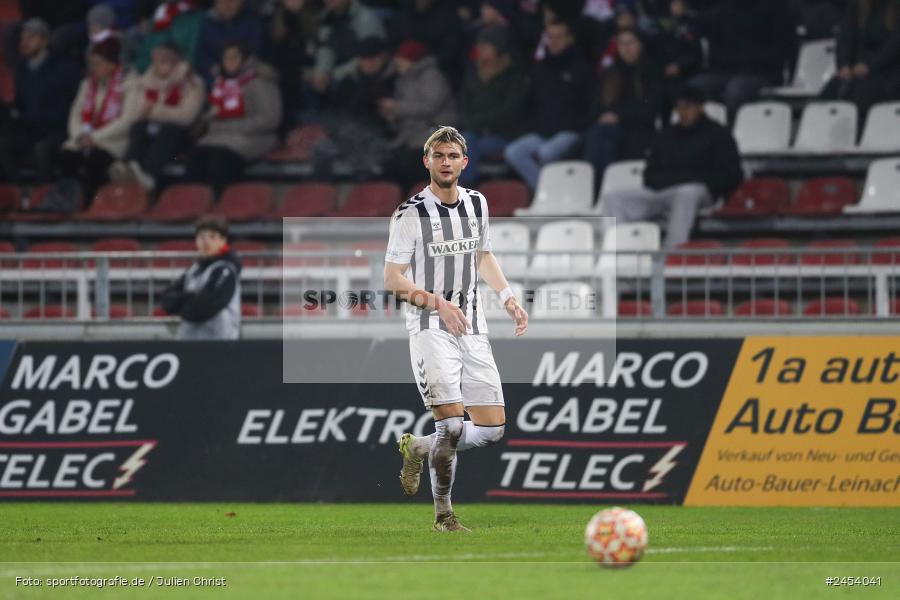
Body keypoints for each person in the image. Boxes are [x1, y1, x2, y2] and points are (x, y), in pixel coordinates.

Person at [384, 126, 529, 532]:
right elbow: (393, 279)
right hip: (430, 325)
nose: (445, 162)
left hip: (472, 325)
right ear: (426, 161)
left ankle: (416, 448)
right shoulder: (410, 214)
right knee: (449, 425)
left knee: (491, 430)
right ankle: (444, 515)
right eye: (438, 156)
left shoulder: (477, 204)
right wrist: (438, 303)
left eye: (453, 156)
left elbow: (482, 255)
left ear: (465, 163)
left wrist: (508, 298)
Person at [600, 86, 743, 249]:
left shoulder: (718, 134)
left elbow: (732, 175)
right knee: (613, 198)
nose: (683, 112)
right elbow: (649, 175)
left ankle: (672, 252)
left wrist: (689, 179)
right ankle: (619, 251)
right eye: (679, 108)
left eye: (688, 107)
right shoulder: (667, 135)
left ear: (700, 107)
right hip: (664, 189)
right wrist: (676, 180)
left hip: (701, 192)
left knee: (687, 192)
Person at [503, 19, 591, 190]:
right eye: (550, 37)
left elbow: (588, 104)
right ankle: (545, 191)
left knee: (547, 153)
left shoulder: (581, 67)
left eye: (558, 37)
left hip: (571, 130)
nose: (553, 41)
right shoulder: (540, 68)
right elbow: (530, 103)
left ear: (569, 39)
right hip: (543, 132)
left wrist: (580, 126)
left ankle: (554, 192)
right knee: (513, 152)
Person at [186, 42, 282, 194]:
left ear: (245, 59)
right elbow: (214, 114)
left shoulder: (260, 81)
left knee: (221, 159)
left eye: (234, 57)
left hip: (254, 136)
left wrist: (229, 126)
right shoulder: (221, 82)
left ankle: (218, 207)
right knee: (196, 158)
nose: (230, 61)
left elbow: (270, 119)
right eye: (226, 57)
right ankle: (194, 206)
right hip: (219, 136)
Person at [111, 43, 205, 191]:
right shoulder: (146, 82)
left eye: (165, 60)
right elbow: (137, 113)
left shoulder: (192, 82)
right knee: (138, 128)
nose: (159, 64)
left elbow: (186, 116)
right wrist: (150, 112)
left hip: (181, 136)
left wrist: (154, 110)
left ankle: (149, 176)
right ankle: (128, 167)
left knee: (169, 129)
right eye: (156, 60)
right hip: (152, 131)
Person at [59, 36, 141, 204]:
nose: (93, 68)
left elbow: (127, 120)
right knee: (67, 157)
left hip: (113, 141)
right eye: (92, 63)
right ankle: (68, 203)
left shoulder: (131, 83)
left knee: (95, 161)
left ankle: (92, 205)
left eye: (98, 63)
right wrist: (79, 136)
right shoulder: (87, 84)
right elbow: (75, 113)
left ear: (113, 63)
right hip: (83, 139)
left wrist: (94, 138)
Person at [0, 18, 80, 184]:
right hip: (30, 129)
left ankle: (42, 195)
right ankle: (18, 193)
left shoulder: (64, 68)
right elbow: (20, 104)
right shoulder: (22, 69)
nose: (24, 42)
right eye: (22, 38)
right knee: (4, 144)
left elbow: (69, 106)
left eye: (31, 37)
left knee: (42, 148)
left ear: (45, 40)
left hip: (56, 130)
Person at [582, 28, 661, 189]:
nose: (626, 48)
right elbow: (596, 106)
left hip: (638, 127)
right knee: (598, 133)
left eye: (630, 43)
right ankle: (597, 188)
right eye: (621, 44)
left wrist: (619, 116)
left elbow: (650, 109)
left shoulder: (650, 72)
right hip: (608, 128)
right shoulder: (609, 73)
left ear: (640, 45)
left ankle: (599, 188)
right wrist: (605, 116)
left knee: (602, 135)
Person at [689, 0, 795, 117]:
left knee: (736, 90)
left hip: (763, 73)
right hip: (727, 72)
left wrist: (747, 58)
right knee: (695, 86)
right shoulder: (724, 10)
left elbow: (783, 50)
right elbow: (715, 52)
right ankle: (703, 130)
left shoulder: (776, 7)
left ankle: (731, 131)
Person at [379, 41, 456, 188]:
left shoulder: (432, 77)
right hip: (409, 136)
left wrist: (397, 107)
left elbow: (429, 107)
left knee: (411, 166)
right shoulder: (403, 79)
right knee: (387, 165)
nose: (397, 64)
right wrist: (392, 116)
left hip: (432, 134)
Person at [457, 24, 527, 187]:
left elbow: (509, 111)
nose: (480, 49)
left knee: (467, 146)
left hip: (504, 134)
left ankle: (463, 191)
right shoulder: (473, 74)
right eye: (479, 45)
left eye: (485, 45)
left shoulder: (513, 76)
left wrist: (480, 122)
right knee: (463, 142)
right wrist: (475, 124)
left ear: (499, 47)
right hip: (474, 133)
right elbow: (464, 107)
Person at [160, 215, 243, 340]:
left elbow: (205, 306)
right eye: (201, 237)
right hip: (190, 342)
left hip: (219, 343)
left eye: (212, 236)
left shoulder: (225, 271)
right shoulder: (193, 270)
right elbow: (166, 298)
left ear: (223, 240)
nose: (206, 242)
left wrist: (182, 303)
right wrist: (191, 299)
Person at [821, 0, 900, 114]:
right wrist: (844, 65)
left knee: (862, 94)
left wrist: (869, 67)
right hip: (859, 72)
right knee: (832, 89)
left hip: (889, 73)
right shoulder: (856, 7)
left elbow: (893, 46)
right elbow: (845, 39)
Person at [310, 0, 386, 95]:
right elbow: (326, 47)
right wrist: (321, 71)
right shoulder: (325, 17)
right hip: (337, 74)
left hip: (364, 79)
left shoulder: (366, 18)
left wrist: (334, 75)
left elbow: (369, 59)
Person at [195, 0, 263, 83]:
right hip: (213, 78)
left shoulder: (251, 20)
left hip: (246, 75)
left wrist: (239, 72)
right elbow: (201, 56)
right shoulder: (205, 22)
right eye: (222, 1)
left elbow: (255, 51)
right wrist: (217, 71)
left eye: (232, 1)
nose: (227, 5)